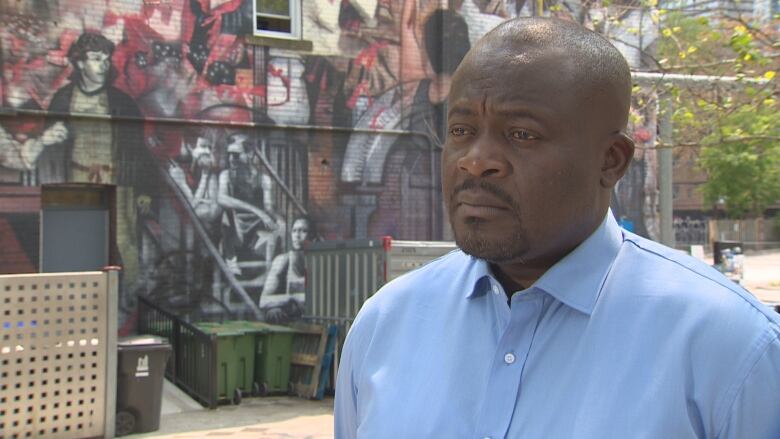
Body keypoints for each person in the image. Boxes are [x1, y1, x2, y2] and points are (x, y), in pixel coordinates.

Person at [335, 18, 780, 438]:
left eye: (522, 134)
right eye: (461, 129)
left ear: (611, 161)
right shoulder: (386, 324)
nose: (476, 160)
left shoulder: (730, 344)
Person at [217, 133, 279, 276]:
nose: (231, 159)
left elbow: (268, 207)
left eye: (236, 155)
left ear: (250, 154)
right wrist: (257, 211)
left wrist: (272, 218)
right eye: (229, 155)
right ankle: (231, 259)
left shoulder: (264, 179)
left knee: (281, 226)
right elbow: (221, 199)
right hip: (234, 223)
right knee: (226, 215)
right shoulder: (225, 175)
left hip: (255, 225)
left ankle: (270, 271)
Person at [260, 216, 312, 323]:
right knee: (274, 313)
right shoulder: (282, 261)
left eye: (303, 231)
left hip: (314, 316)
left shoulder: (320, 261)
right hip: (290, 319)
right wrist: (291, 298)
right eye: (294, 231)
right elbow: (263, 301)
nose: (297, 235)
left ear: (312, 236)